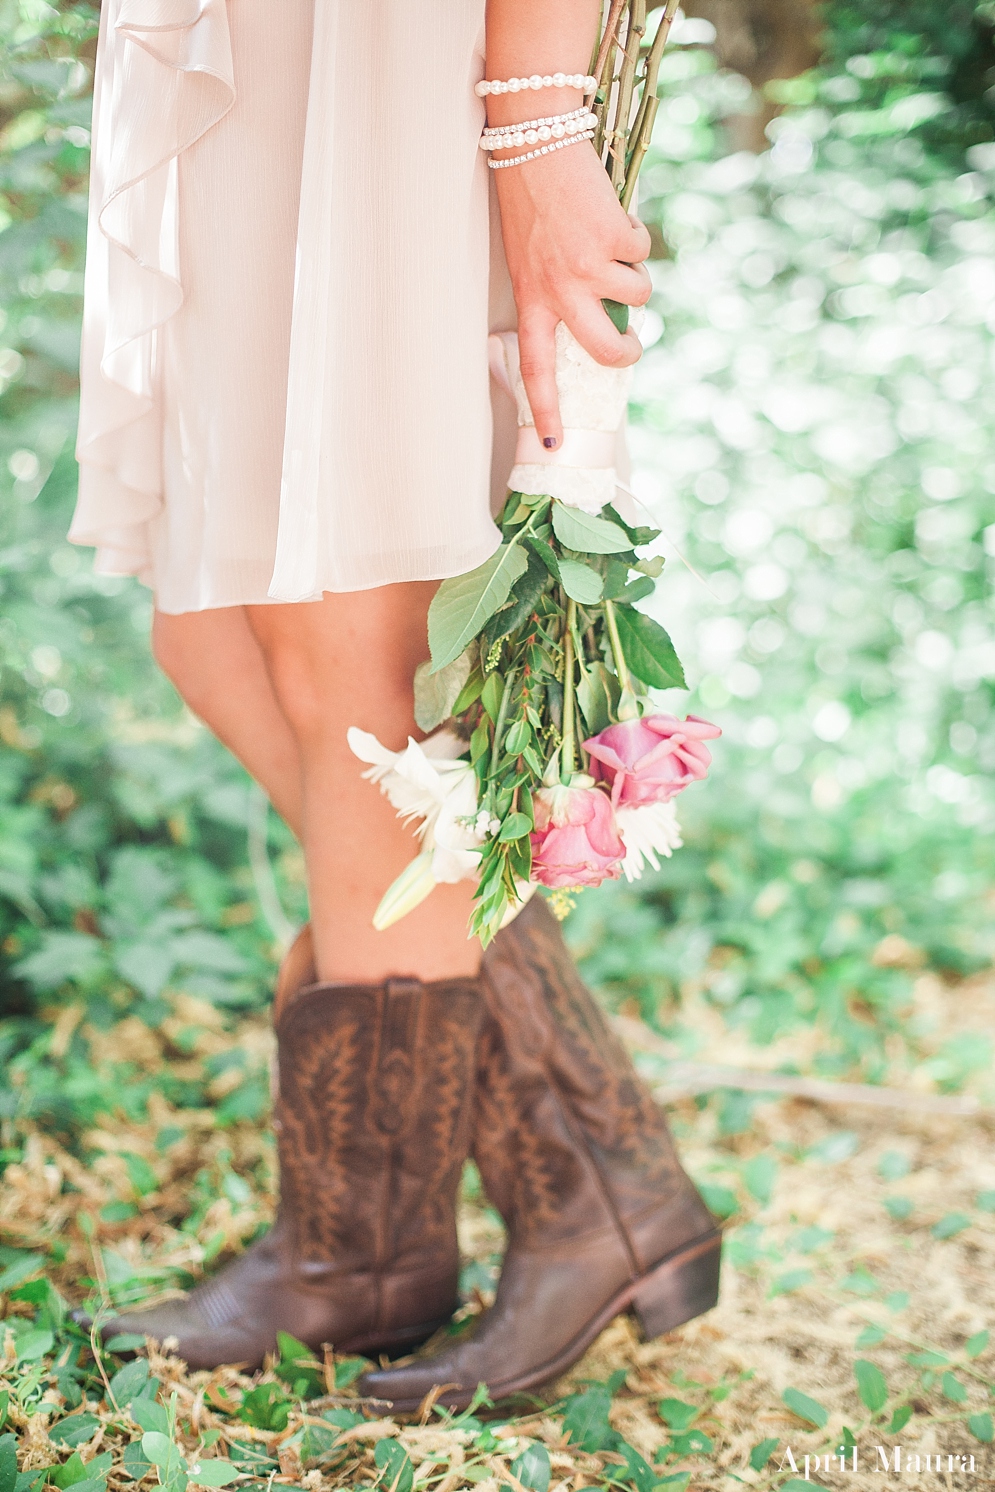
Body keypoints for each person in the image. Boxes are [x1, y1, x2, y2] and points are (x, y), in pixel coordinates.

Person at [71, 0, 720, 1403]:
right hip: (255, 64)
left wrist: (540, 119)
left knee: (352, 667)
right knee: (219, 635)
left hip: (382, 68)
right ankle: (603, 1184)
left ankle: (360, 1257)